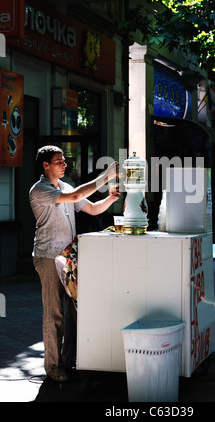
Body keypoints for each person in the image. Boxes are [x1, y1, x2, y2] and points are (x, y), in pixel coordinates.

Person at [29, 145, 120, 382]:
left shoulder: (65, 186)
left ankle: (68, 362)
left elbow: (90, 208)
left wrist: (109, 199)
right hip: (48, 256)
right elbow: (77, 196)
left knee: (75, 312)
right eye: (59, 161)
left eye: (64, 160)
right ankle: (53, 366)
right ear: (45, 165)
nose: (64, 164)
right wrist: (105, 177)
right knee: (54, 314)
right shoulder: (40, 190)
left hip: (68, 257)